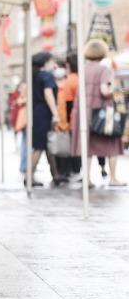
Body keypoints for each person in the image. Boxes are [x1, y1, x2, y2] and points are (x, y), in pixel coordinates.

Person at [70, 39, 126, 188]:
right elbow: (104, 91)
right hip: (101, 113)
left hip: (84, 112)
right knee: (111, 144)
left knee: (86, 146)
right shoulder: (103, 69)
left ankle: (87, 178)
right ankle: (113, 178)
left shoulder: (83, 69)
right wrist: (120, 90)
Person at [28, 52, 67, 187]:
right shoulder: (46, 76)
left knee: (46, 145)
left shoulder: (35, 75)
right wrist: (55, 114)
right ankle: (29, 177)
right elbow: (48, 94)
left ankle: (55, 174)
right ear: (46, 62)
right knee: (40, 146)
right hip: (44, 113)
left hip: (37, 112)